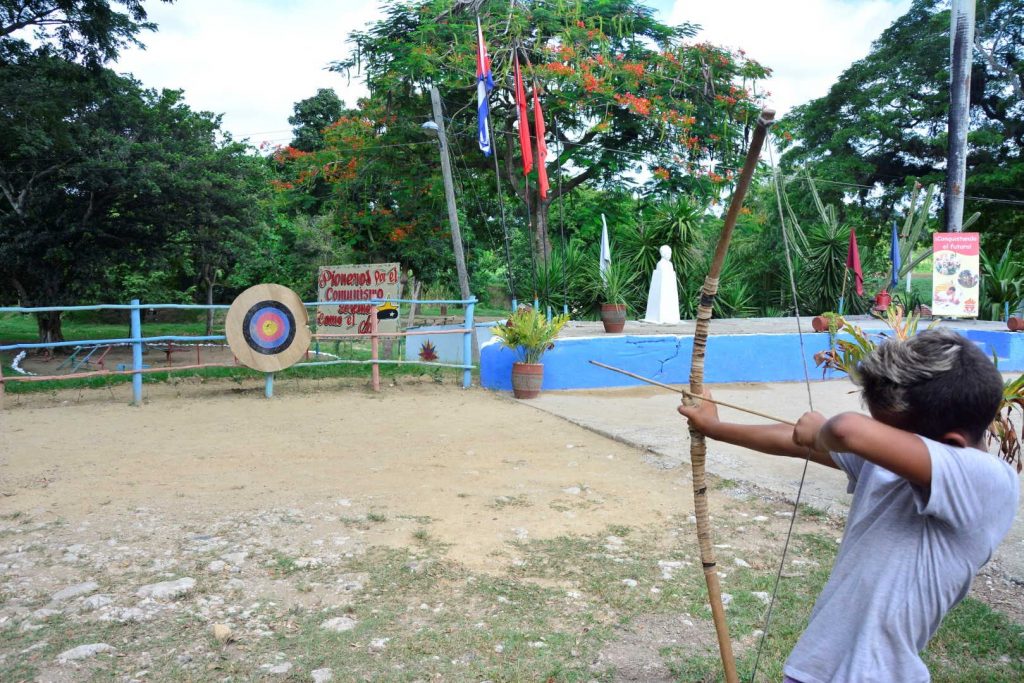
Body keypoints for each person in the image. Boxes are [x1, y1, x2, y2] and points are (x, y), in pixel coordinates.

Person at [677, 328, 1019, 682]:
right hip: (817, 668)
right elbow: (795, 442)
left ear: (950, 442)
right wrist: (716, 428)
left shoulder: (987, 482)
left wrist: (823, 430)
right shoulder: (893, 466)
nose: (880, 440)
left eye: (890, 434)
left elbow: (844, 432)